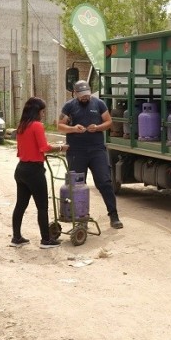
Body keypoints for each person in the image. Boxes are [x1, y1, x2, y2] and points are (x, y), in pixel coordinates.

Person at [57, 80, 123, 229]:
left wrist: (98, 127)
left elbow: (109, 122)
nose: (84, 98)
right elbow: (60, 126)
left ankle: (114, 216)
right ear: (75, 94)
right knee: (77, 185)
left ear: (90, 92)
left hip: (96, 150)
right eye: (81, 96)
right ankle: (80, 219)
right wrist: (74, 129)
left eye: (86, 95)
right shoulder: (69, 106)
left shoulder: (99, 104)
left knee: (104, 182)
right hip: (76, 151)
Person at [12, 97, 67, 249]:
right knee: (42, 206)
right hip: (34, 171)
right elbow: (44, 147)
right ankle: (46, 240)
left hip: (21, 168)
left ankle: (16, 237)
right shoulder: (37, 126)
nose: (43, 114)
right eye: (42, 111)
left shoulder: (22, 125)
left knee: (20, 205)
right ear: (37, 111)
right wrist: (61, 148)